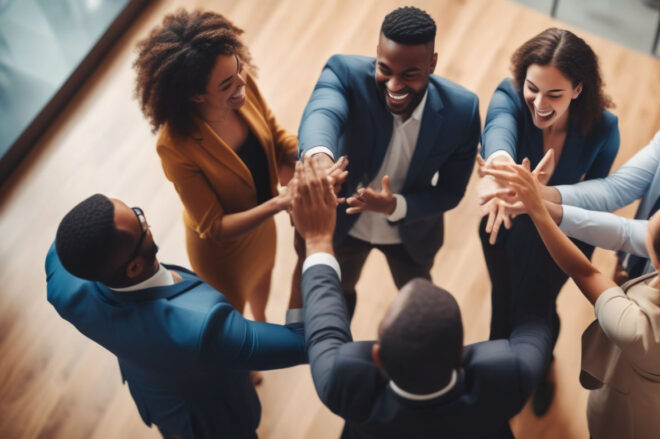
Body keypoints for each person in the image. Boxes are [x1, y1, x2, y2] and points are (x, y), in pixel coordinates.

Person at [290, 159, 552, 439]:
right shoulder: (508, 375)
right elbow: (535, 316)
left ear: (377, 356)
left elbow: (324, 333)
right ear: (462, 354)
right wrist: (534, 211)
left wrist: (317, 240)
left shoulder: (345, 384)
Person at [490, 161, 660, 439]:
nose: (644, 228)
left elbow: (582, 270)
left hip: (630, 423)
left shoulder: (640, 331)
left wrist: (537, 211)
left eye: (649, 230)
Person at [46, 194, 307, 439]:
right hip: (215, 425)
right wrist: (307, 253)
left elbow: (62, 244)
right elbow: (300, 342)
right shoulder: (201, 327)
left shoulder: (64, 288)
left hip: (161, 404)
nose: (142, 218)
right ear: (134, 267)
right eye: (141, 223)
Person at [484, 62, 660, 282]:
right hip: (627, 273)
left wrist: (543, 209)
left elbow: (639, 236)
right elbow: (615, 189)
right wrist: (541, 193)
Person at [133, 9, 326, 320]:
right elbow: (213, 226)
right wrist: (279, 203)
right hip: (224, 255)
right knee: (232, 316)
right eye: (226, 84)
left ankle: (260, 321)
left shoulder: (240, 87)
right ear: (196, 96)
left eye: (240, 67)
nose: (241, 82)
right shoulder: (174, 145)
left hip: (262, 225)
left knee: (263, 278)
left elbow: (274, 135)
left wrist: (312, 155)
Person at [298, 6, 480, 317]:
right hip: (341, 224)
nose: (395, 86)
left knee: (419, 307)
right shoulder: (344, 72)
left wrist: (395, 206)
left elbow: (450, 191)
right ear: (377, 54)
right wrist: (319, 159)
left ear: (432, 63)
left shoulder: (463, 112)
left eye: (410, 74)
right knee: (337, 298)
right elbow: (322, 112)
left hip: (411, 234)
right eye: (386, 70)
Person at [477, 27, 619, 415]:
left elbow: (600, 197)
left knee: (539, 309)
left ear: (578, 89)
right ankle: (501, 381)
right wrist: (503, 171)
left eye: (554, 93)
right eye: (532, 88)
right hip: (502, 222)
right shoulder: (508, 96)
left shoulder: (604, 129)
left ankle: (536, 370)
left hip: (560, 234)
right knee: (502, 306)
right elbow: (499, 134)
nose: (539, 103)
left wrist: (546, 200)